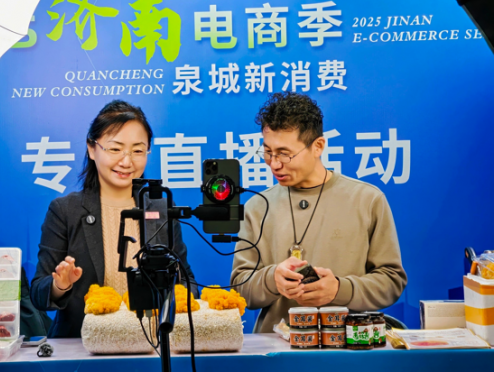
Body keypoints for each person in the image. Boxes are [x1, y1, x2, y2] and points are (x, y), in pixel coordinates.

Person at [231, 93, 407, 333]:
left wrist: (339, 290)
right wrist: (273, 280)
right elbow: (239, 289)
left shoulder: (367, 200)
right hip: (276, 347)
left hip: (348, 345)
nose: (274, 164)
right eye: (268, 152)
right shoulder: (257, 206)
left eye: (284, 153)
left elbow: (392, 282)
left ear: (318, 146)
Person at [30, 100, 197, 338]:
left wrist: (179, 290)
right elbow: (38, 293)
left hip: (153, 344)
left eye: (138, 151)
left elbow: (187, 281)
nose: (127, 162)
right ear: (92, 148)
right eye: (115, 149)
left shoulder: (160, 209)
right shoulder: (65, 210)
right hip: (83, 346)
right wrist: (60, 285)